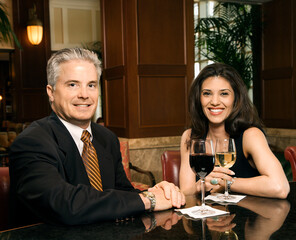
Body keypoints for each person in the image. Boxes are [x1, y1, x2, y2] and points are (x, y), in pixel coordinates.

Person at [9, 48, 185, 226]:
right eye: (72, 84)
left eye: (91, 85)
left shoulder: (106, 137)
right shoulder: (32, 142)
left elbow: (122, 193)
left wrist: (157, 192)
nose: (84, 94)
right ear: (51, 92)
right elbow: (65, 205)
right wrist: (149, 200)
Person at [179, 62, 290, 199]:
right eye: (207, 93)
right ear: (198, 98)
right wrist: (200, 186)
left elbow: (280, 187)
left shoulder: (250, 135)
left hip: (247, 218)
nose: (214, 101)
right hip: (205, 217)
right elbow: (184, 192)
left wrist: (226, 183)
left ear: (236, 98)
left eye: (224, 94)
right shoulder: (190, 136)